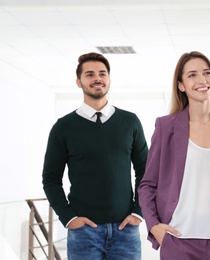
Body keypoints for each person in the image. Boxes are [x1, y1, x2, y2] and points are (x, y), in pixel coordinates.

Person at [138, 51, 210, 260]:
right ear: (181, 85)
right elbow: (147, 185)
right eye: (192, 75)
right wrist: (154, 226)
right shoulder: (166, 127)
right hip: (177, 239)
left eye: (207, 73)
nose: (202, 80)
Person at [42, 52, 148, 260]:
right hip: (84, 233)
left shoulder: (130, 122)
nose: (97, 78)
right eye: (90, 74)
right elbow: (51, 179)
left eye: (102, 73)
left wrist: (138, 212)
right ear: (79, 82)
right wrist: (68, 217)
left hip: (125, 230)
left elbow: (146, 171)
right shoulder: (63, 127)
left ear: (109, 79)